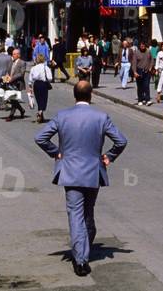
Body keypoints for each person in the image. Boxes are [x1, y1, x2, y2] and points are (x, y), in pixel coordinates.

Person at [34, 81, 127, 277]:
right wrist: (108, 156)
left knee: (75, 215)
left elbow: (40, 137)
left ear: (74, 95)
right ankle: (85, 246)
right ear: (91, 95)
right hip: (93, 171)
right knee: (88, 211)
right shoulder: (101, 117)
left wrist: (56, 152)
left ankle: (81, 260)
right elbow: (121, 141)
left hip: (70, 171)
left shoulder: (63, 116)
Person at [1, 48, 29, 121]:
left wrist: (12, 78)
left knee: (13, 99)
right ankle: (22, 110)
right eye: (12, 54)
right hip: (10, 83)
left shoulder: (22, 63)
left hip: (18, 83)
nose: (12, 55)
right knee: (13, 99)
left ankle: (11, 115)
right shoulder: (11, 62)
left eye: (14, 54)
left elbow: (21, 74)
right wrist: (6, 77)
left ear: (18, 55)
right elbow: (8, 71)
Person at [29, 55, 54, 123]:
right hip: (43, 84)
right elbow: (50, 78)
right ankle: (40, 112)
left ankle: (41, 115)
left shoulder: (33, 68)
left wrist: (30, 87)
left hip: (36, 84)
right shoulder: (46, 68)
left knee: (38, 99)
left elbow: (30, 79)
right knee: (43, 99)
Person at [132, 41, 154, 106]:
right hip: (139, 71)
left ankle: (148, 100)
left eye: (143, 46)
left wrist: (150, 67)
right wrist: (134, 72)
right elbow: (134, 63)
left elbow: (152, 60)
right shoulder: (136, 52)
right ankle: (140, 99)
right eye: (141, 46)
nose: (142, 47)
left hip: (147, 71)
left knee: (146, 85)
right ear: (139, 46)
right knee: (140, 86)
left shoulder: (148, 51)